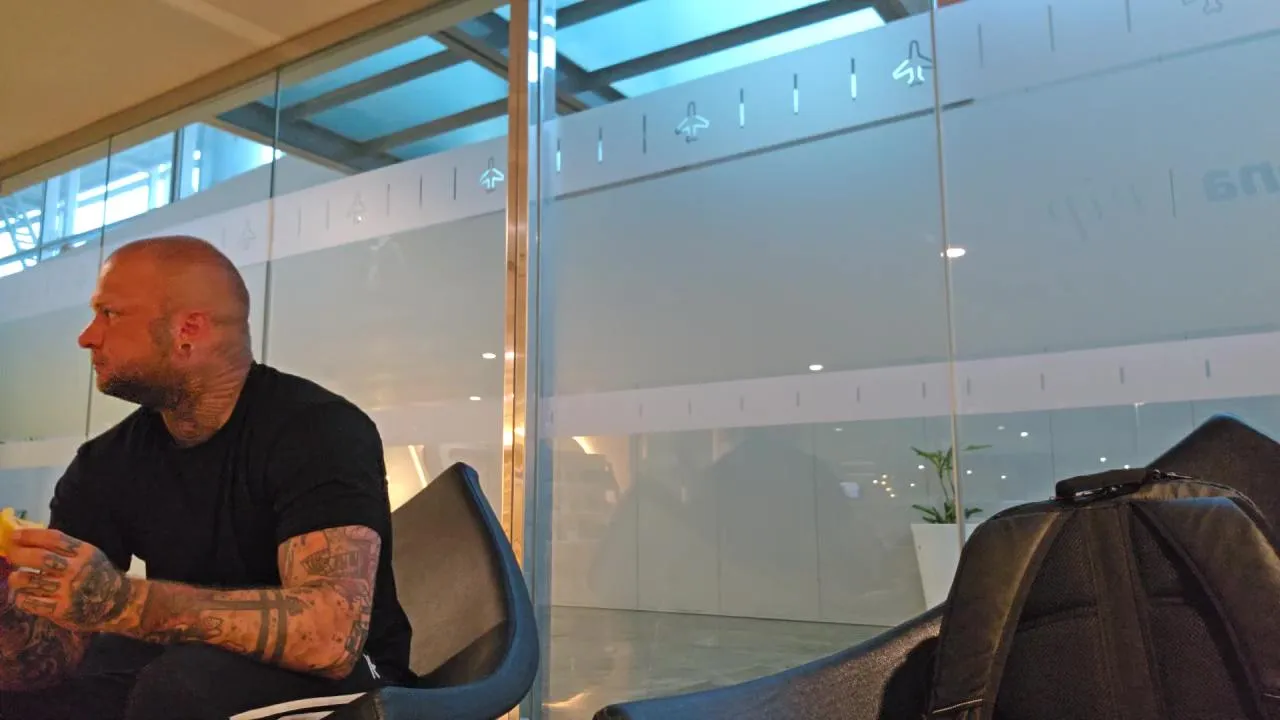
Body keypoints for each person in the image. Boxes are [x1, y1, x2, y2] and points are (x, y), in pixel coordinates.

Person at [0, 236, 414, 719]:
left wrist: (121, 601)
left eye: (109, 313)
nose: (87, 336)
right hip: (190, 669)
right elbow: (49, 658)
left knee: (180, 686)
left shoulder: (318, 429)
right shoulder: (104, 463)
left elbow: (331, 639)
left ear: (187, 330)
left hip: (353, 683)